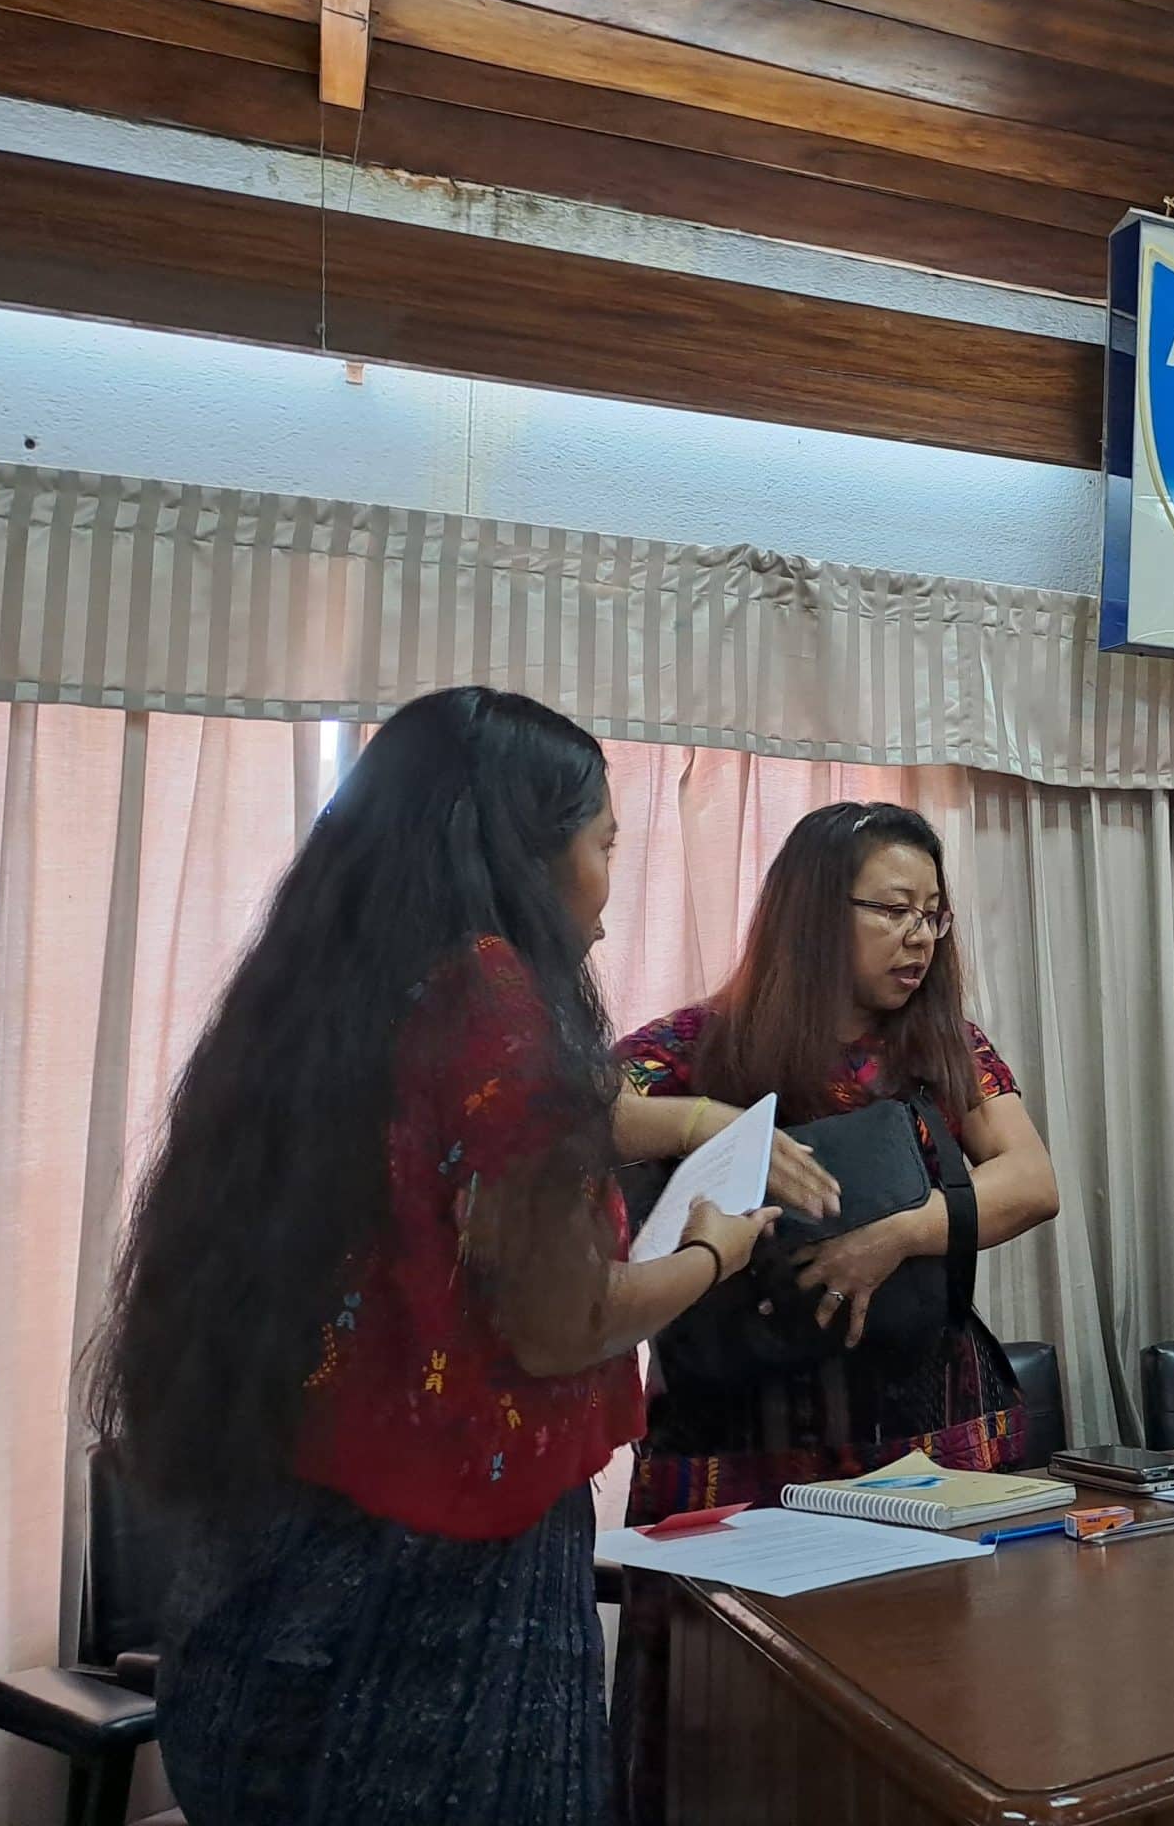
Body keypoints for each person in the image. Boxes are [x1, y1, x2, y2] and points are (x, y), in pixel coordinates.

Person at [86, 687, 781, 1825]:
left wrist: (691, 1122)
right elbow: (561, 1322)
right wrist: (712, 1252)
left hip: (269, 1574)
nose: (611, 884)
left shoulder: (332, 990)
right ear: (527, 844)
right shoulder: (499, 1007)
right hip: (438, 1606)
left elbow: (514, 1124)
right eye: (605, 843)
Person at [609, 800, 1059, 1824]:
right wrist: (708, 1122)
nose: (919, 936)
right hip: (737, 1431)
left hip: (916, 1425)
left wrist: (895, 1235)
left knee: (931, 1713)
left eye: (934, 915)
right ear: (815, 913)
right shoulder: (698, 1044)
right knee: (729, 1727)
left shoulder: (946, 1048)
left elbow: (1032, 1181)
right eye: (893, 909)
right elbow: (566, 1109)